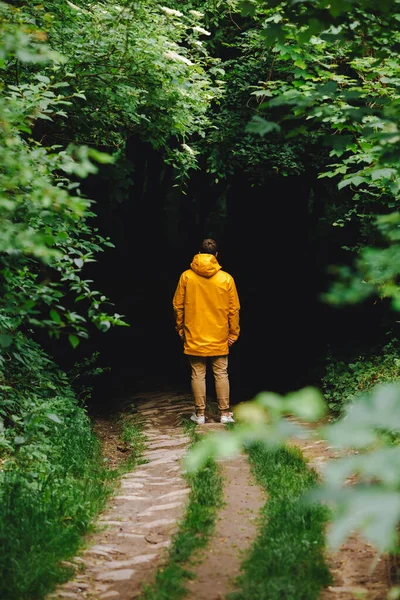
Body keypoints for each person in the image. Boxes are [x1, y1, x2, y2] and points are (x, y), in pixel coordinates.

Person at [172, 238, 240, 424]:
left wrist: (180, 328)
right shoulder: (226, 279)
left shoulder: (186, 276)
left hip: (194, 334)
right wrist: (233, 333)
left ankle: (200, 414)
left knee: (197, 374)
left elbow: (178, 306)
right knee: (221, 373)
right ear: (216, 256)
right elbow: (233, 309)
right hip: (219, 335)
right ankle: (225, 414)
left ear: (198, 254)